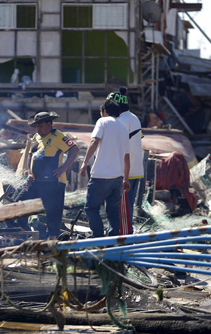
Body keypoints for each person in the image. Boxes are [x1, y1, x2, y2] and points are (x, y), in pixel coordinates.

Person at [20, 111, 79, 240]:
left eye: (40, 126)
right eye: (36, 126)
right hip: (35, 182)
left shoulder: (59, 137)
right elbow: (30, 155)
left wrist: (64, 167)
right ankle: (22, 234)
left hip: (54, 183)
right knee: (20, 203)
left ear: (49, 124)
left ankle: (52, 242)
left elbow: (74, 149)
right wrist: (29, 173)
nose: (38, 129)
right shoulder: (36, 137)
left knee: (53, 213)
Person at [80, 99, 130, 238]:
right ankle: (113, 239)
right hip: (118, 178)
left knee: (91, 208)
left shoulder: (102, 121)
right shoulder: (124, 128)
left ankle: (98, 236)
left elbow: (94, 141)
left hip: (101, 176)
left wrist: (85, 162)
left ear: (105, 112)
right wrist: (126, 178)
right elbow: (127, 157)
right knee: (113, 210)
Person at [108, 87, 144, 229]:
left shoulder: (121, 121)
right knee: (127, 208)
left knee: (122, 209)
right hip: (135, 170)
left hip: (125, 173)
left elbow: (118, 147)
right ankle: (124, 233)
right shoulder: (133, 118)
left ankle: (123, 238)